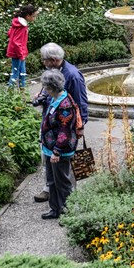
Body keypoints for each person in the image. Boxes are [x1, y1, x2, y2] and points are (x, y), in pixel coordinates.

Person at [32, 42, 88, 203]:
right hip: (50, 125)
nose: (43, 63)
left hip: (64, 127)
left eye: (45, 60)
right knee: (47, 158)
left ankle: (69, 199)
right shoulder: (53, 70)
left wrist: (81, 126)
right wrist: (41, 96)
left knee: (65, 163)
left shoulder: (73, 75)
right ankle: (50, 190)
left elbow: (81, 102)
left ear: (54, 59)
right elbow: (48, 91)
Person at [38, 69, 79, 219]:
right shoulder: (54, 99)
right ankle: (55, 209)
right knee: (52, 181)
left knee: (63, 183)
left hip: (59, 151)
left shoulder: (65, 104)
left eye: (45, 87)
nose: (44, 90)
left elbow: (65, 130)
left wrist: (56, 151)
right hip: (50, 149)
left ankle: (68, 213)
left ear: (51, 87)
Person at [7, 5, 38, 89]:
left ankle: (23, 92)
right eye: (34, 16)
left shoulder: (17, 23)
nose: (34, 18)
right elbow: (16, 42)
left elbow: (9, 33)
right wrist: (21, 55)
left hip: (19, 52)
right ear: (28, 16)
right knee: (15, 73)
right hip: (18, 53)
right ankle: (9, 92)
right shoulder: (22, 27)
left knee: (23, 72)